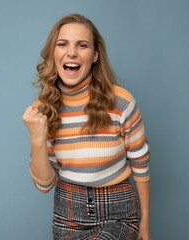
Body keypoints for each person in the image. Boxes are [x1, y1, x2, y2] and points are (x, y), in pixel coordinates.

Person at [22, 13, 151, 240]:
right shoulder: (43, 111)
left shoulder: (120, 101)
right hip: (67, 216)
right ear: (54, 53)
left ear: (95, 55)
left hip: (118, 213)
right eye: (63, 44)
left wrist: (145, 222)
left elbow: (140, 163)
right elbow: (44, 185)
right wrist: (37, 139)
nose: (71, 52)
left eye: (82, 45)